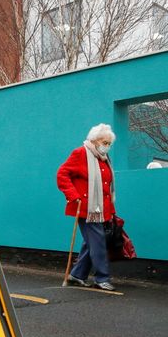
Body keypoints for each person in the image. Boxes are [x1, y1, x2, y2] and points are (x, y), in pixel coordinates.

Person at [57, 123, 117, 291]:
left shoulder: (103, 159)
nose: (107, 146)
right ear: (95, 140)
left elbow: (106, 186)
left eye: (109, 143)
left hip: (101, 209)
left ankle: (77, 274)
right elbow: (62, 174)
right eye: (104, 142)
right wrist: (73, 196)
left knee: (92, 242)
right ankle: (102, 278)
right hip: (85, 208)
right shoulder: (81, 153)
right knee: (97, 242)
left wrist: (111, 211)